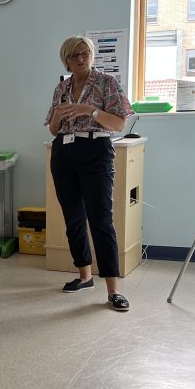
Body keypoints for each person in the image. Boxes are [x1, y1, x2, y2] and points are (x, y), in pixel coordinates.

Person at [46, 36, 134, 312]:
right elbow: (52, 128)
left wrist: (90, 110)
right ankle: (84, 276)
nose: (81, 59)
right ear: (66, 60)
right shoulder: (62, 87)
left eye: (85, 53)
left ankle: (113, 290)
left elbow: (119, 122)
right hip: (64, 152)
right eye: (74, 56)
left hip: (95, 149)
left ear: (92, 55)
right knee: (73, 218)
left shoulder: (107, 83)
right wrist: (59, 116)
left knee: (101, 221)